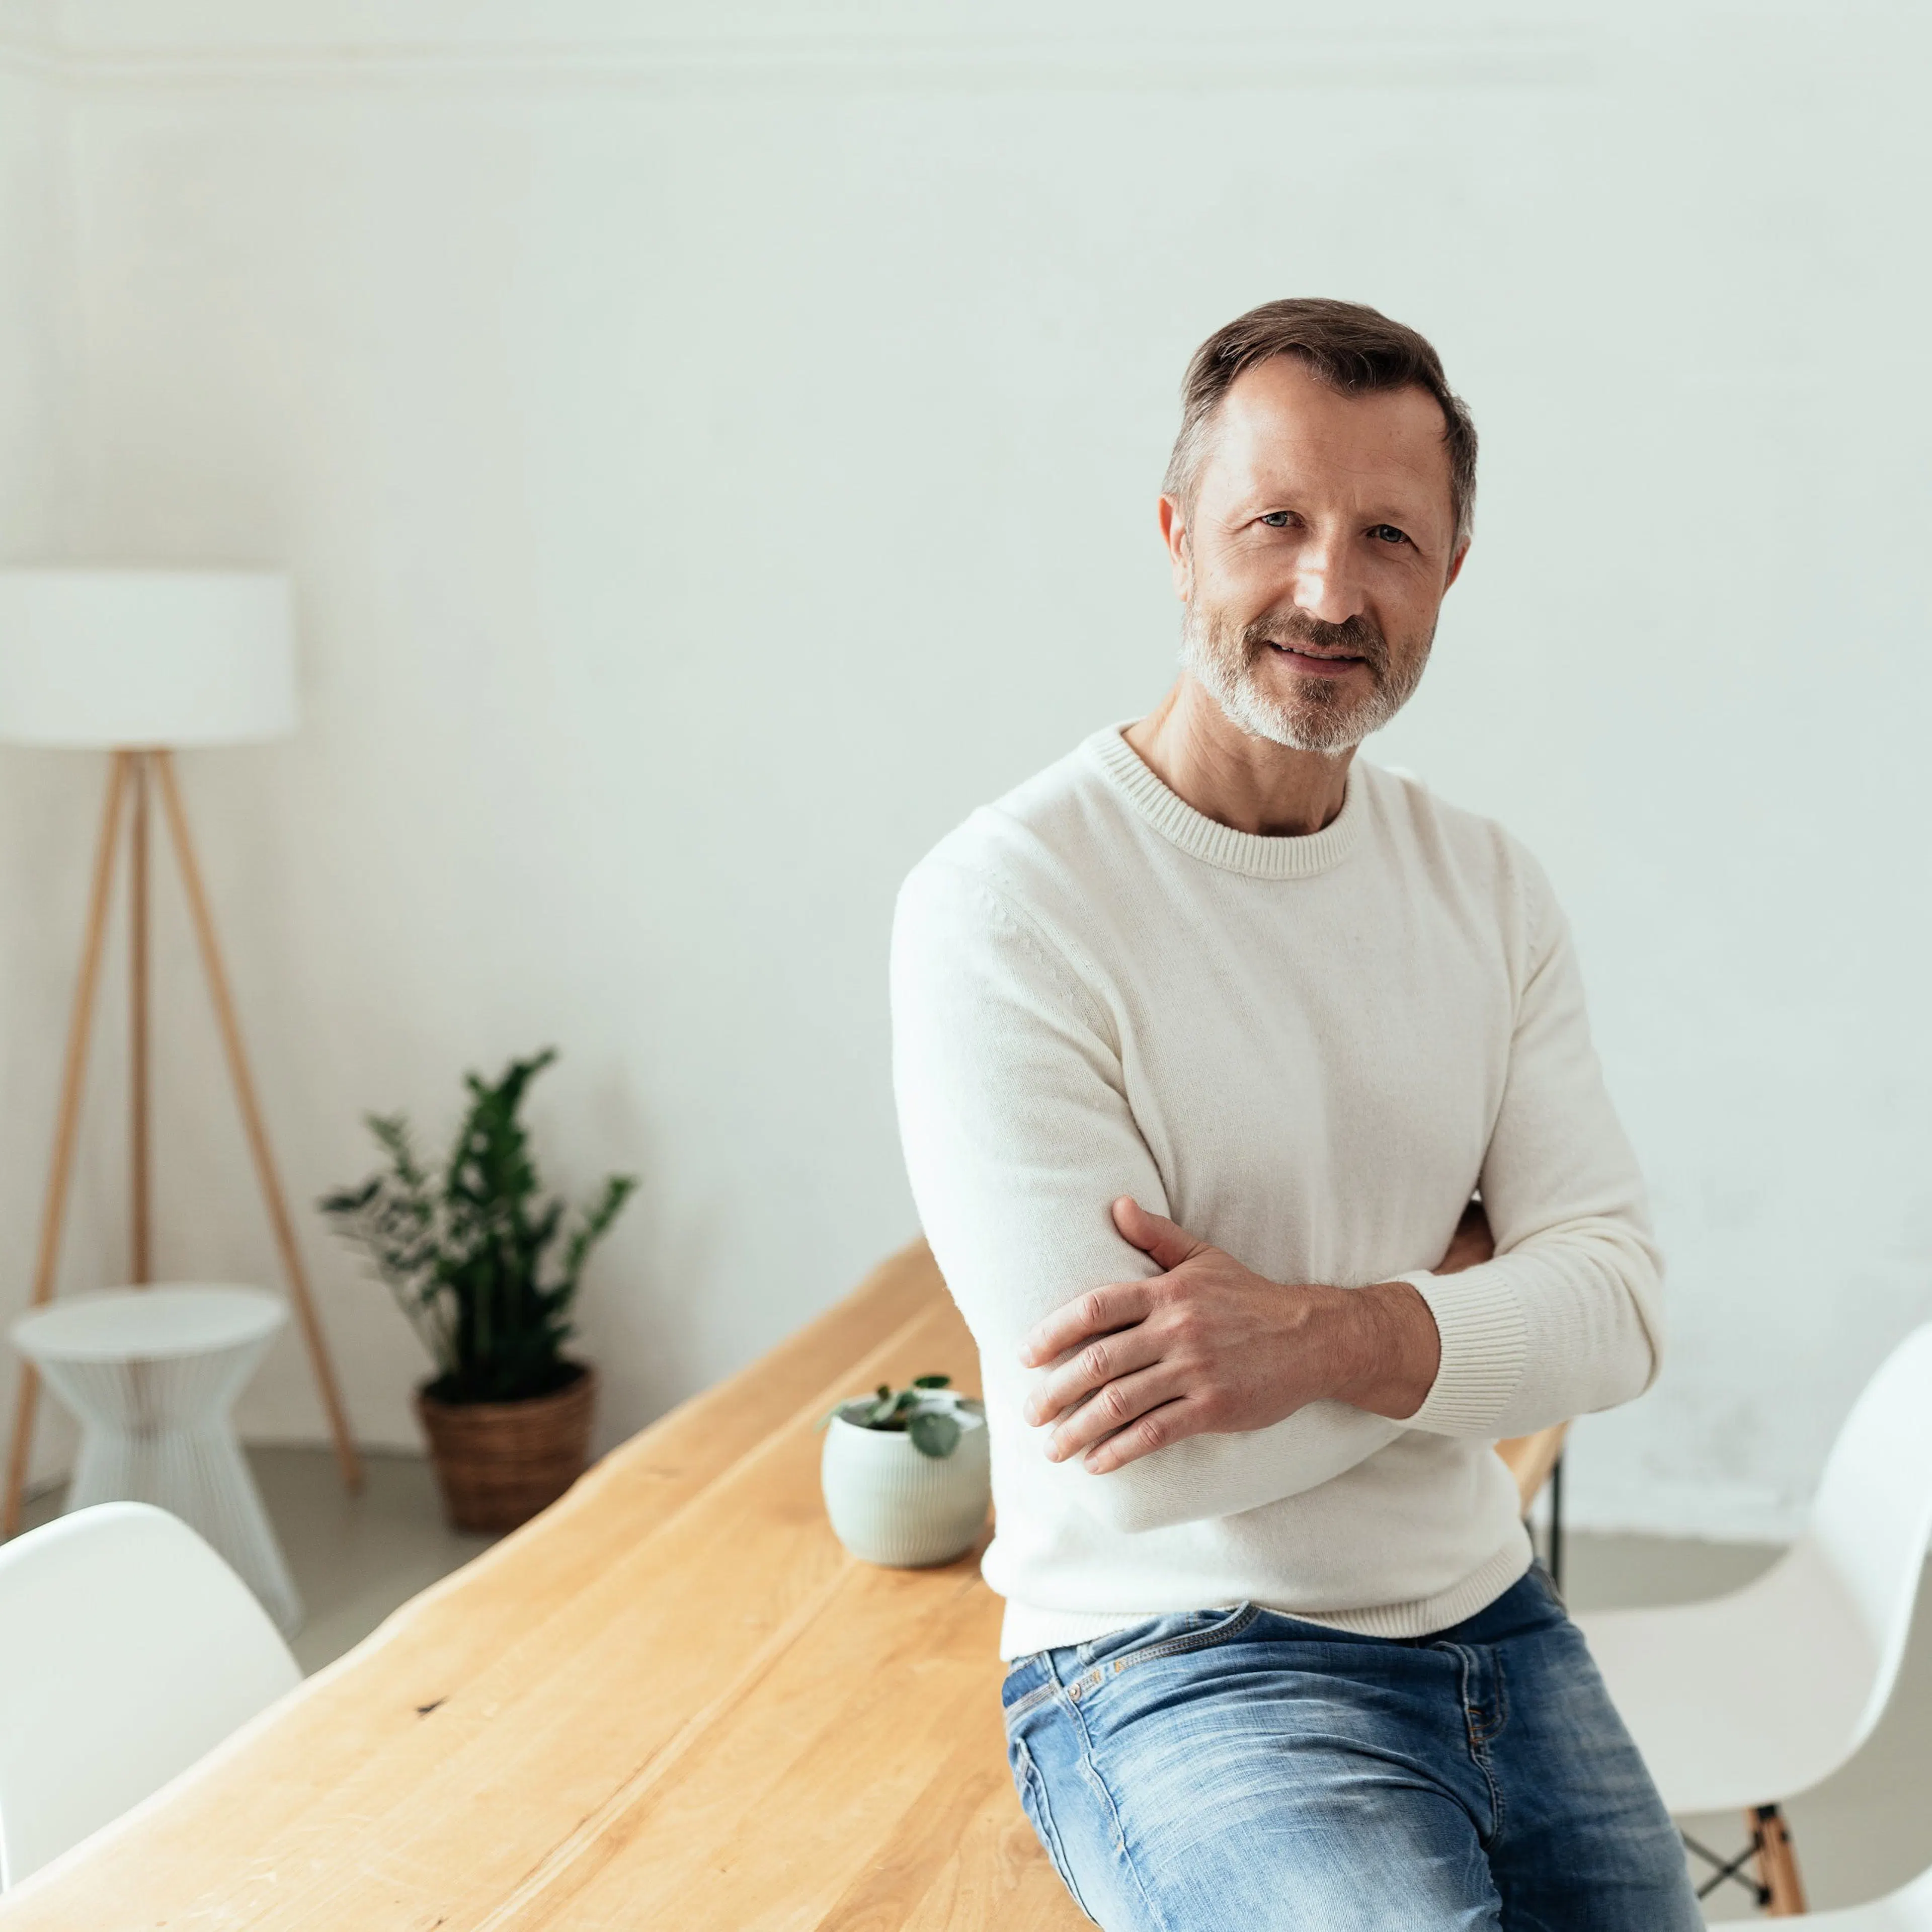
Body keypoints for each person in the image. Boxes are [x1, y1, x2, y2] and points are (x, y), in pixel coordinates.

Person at [889, 299, 1700, 1929]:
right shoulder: (1007, 905)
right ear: (1182, 539)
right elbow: (1128, 1470)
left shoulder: (1485, 887)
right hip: (1177, 1664)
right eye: (1278, 523)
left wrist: (1316, 1338)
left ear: (1451, 571)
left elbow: (1615, 1317)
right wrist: (1464, 1309)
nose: (1331, 593)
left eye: (1388, 536)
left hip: (1492, 1618)